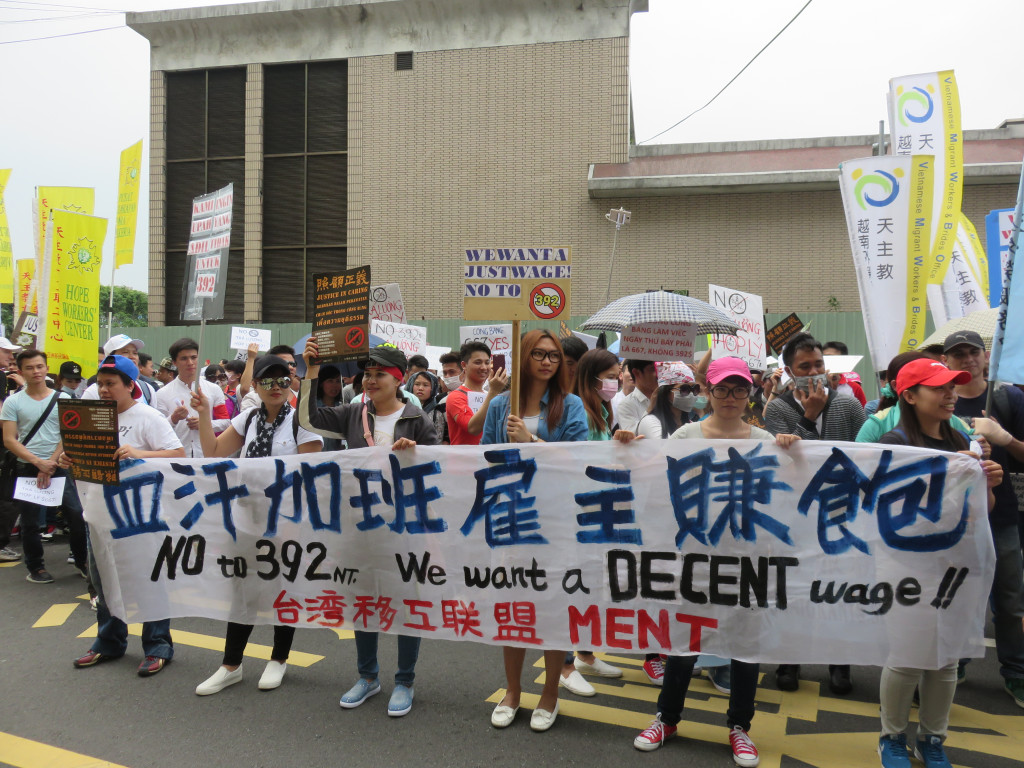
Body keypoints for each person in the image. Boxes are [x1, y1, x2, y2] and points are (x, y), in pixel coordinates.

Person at [632, 357, 801, 766]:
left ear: (751, 393)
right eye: (722, 389)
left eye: (740, 389)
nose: (730, 398)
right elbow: (647, 475)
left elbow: (792, 491)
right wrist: (627, 446)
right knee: (684, 641)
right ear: (707, 392)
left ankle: (739, 727)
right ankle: (666, 718)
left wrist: (795, 454)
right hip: (694, 557)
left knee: (744, 645)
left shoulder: (765, 439)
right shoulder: (687, 434)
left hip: (748, 559)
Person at [298, 341, 439, 717]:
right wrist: (311, 371)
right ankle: (368, 676)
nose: (371, 380)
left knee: (408, 602)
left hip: (407, 526)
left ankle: (405, 680)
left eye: (380, 375)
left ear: (399, 379)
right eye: (367, 374)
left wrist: (417, 454)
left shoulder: (417, 419)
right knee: (364, 599)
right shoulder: (351, 413)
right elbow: (308, 419)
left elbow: (440, 468)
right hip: (361, 524)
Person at [874, 357, 1003, 768]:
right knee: (908, 657)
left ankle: (932, 738)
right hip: (904, 566)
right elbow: (875, 509)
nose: (950, 394)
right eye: (939, 387)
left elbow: (982, 510)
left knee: (947, 658)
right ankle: (891, 737)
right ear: (909, 395)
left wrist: (989, 480)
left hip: (955, 564)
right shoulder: (892, 443)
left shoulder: (963, 441)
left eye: (953, 385)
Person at [191, 354, 323, 695]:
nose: (276, 387)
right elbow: (214, 452)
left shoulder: (303, 422)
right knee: (243, 589)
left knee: (283, 588)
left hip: (287, 520)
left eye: (283, 380)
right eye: (267, 380)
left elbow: (308, 474)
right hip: (246, 517)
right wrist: (205, 413)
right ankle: (230, 665)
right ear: (256, 385)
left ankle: (279, 659)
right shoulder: (247, 418)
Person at [483, 330, 588, 733]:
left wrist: (533, 441)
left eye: (554, 356)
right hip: (510, 516)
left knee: (553, 604)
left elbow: (578, 459)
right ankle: (512, 690)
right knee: (513, 604)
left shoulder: (571, 405)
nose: (547, 362)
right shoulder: (498, 406)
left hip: (556, 518)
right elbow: (485, 458)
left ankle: (550, 694)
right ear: (523, 357)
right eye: (539, 354)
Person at [63, 355, 185, 676]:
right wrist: (68, 457)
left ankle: (158, 644)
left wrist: (139, 453)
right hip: (100, 515)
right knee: (104, 578)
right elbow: (82, 457)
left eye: (110, 384)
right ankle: (109, 641)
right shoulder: (91, 418)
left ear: (130, 386)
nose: (102, 390)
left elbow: (177, 454)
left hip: (141, 518)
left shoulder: (148, 417)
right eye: (100, 384)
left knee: (150, 580)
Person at [764, 332, 865, 695]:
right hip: (794, 513)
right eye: (804, 367)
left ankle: (839, 662)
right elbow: (780, 463)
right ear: (790, 371)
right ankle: (789, 660)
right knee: (793, 587)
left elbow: (863, 458)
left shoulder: (848, 406)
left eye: (818, 364)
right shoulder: (776, 410)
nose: (814, 372)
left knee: (839, 586)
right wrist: (808, 417)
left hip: (840, 511)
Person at [942, 330, 1024, 707]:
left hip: (1003, 516)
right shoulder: (940, 401)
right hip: (953, 522)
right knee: (954, 595)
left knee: (1009, 600)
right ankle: (953, 662)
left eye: (972, 352)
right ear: (946, 362)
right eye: (957, 354)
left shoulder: (1010, 399)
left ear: (986, 356)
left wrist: (1004, 439)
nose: (967, 359)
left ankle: (1016, 671)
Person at [558, 347, 625, 695]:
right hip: (577, 512)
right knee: (570, 587)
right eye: (611, 376)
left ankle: (584, 653)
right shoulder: (577, 411)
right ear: (592, 377)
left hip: (597, 509)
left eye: (618, 375)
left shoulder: (601, 408)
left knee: (589, 587)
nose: (616, 382)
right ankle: (565, 665)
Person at [0, 349, 86, 583]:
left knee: (77, 516)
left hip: (59, 465)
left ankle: (82, 561)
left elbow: (68, 433)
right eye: (29, 368)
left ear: (47, 368)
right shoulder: (13, 401)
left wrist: (52, 461)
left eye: (39, 366)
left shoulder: (63, 399)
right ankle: (35, 567)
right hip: (27, 467)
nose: (36, 372)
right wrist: (38, 462)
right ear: (20, 371)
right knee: (30, 522)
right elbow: (9, 439)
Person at [154, 337, 231, 458]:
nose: (190, 362)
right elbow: (157, 430)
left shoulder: (213, 389)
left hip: (206, 455)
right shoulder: (162, 393)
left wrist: (205, 424)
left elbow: (226, 422)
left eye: (193, 357)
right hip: (178, 458)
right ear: (174, 362)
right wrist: (174, 418)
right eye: (184, 358)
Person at [447, 341, 507, 446]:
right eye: (478, 362)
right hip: (464, 460)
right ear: (464, 365)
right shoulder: (455, 397)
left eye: (487, 362)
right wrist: (493, 392)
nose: (484, 367)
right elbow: (473, 428)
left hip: (489, 458)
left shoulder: (493, 395)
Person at [635, 362, 702, 440]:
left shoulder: (691, 424)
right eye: (684, 389)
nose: (691, 394)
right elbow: (668, 449)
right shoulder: (650, 422)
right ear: (666, 391)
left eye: (695, 389)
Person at [616, 359, 659, 431]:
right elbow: (635, 436)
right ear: (637, 373)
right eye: (652, 369)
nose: (658, 374)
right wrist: (651, 406)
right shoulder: (626, 405)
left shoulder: (667, 398)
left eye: (660, 369)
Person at [409, 370, 447, 443]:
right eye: (417, 384)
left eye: (425, 385)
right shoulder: (403, 408)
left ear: (432, 389)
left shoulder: (436, 413)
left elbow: (437, 440)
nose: (420, 388)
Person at [314, 364, 344, 450]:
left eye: (338, 381)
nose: (335, 385)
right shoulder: (313, 407)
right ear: (321, 383)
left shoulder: (342, 408)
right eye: (330, 381)